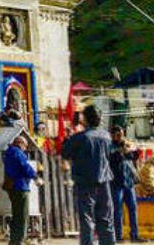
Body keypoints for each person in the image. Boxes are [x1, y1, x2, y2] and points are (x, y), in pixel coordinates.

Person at [61, 105, 116, 245]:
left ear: (84, 119)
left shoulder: (80, 137)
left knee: (87, 220)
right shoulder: (106, 136)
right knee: (106, 219)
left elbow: (65, 153)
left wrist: (68, 137)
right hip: (104, 181)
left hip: (85, 182)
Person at [110, 126, 143, 243]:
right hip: (116, 183)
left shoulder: (125, 145)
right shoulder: (110, 147)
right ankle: (118, 236)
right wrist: (120, 152)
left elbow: (134, 156)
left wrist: (131, 150)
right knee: (117, 211)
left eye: (122, 135)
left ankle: (135, 235)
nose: (121, 137)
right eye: (118, 135)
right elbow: (111, 160)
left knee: (133, 208)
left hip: (128, 183)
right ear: (113, 135)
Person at [4, 134, 37, 245]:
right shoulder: (17, 152)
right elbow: (25, 166)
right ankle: (20, 240)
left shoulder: (8, 152)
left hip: (11, 187)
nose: (26, 149)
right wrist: (35, 176)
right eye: (25, 146)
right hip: (20, 186)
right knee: (22, 215)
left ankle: (14, 239)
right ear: (20, 144)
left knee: (16, 213)